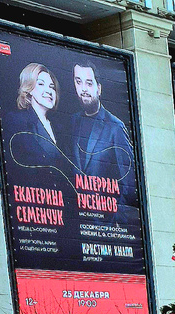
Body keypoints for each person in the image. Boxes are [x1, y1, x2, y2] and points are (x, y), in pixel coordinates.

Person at [70, 61, 137, 208]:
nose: (84, 89)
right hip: (79, 220)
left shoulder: (115, 127)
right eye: (78, 82)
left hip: (107, 223)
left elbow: (130, 182)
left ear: (99, 88)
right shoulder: (73, 121)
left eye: (89, 83)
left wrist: (116, 221)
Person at [10, 63, 71, 177]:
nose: (49, 91)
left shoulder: (60, 129)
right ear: (29, 89)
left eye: (52, 87)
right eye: (41, 84)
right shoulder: (17, 121)